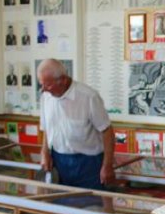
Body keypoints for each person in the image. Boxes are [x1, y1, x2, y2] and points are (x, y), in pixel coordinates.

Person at [37, 59, 115, 189]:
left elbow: (107, 131)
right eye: (41, 84)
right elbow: (46, 128)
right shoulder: (46, 97)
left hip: (88, 163)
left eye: (48, 85)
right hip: (59, 161)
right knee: (61, 205)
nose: (43, 90)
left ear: (63, 80)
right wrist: (44, 152)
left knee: (92, 206)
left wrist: (107, 165)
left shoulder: (89, 97)